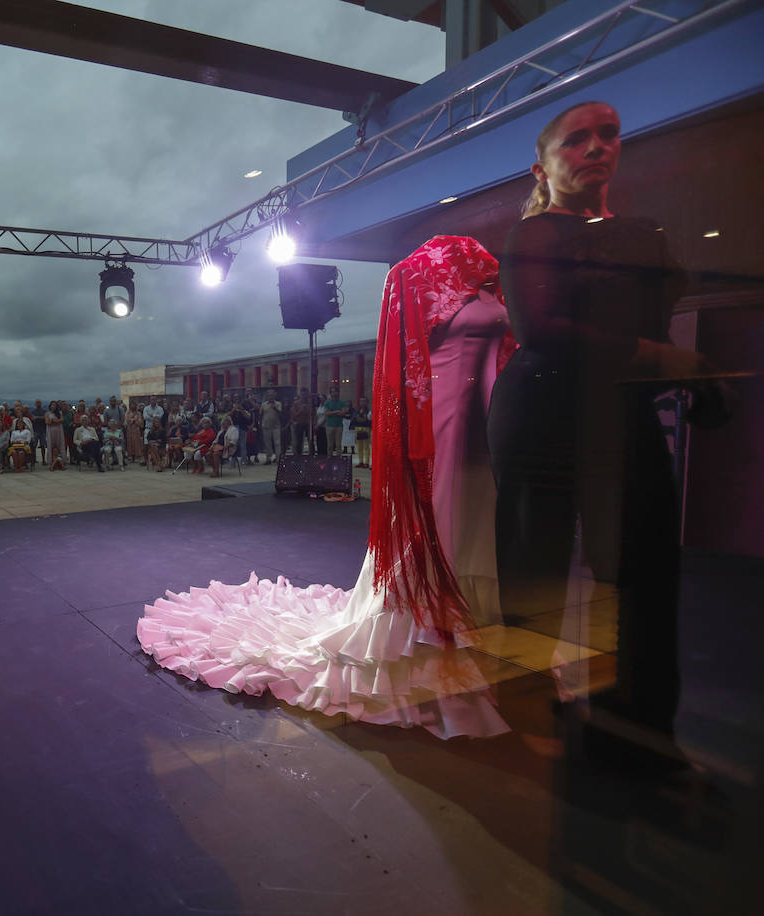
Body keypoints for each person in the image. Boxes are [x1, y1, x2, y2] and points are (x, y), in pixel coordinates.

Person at [139, 236, 517, 739]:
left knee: (477, 521)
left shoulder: (493, 278)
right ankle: (427, 642)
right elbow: (401, 368)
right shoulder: (416, 275)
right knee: (442, 525)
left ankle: (482, 626)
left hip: (488, 425)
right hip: (440, 422)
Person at [488, 101, 716, 769]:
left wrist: (692, 379)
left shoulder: (646, 236)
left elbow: (655, 326)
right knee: (536, 564)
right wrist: (662, 361)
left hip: (620, 409)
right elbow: (541, 331)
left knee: (644, 569)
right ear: (544, 165)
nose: (596, 147)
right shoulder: (534, 235)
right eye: (576, 139)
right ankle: (528, 707)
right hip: (542, 410)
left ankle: (641, 728)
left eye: (608, 134)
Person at [260, 393, 283, 464]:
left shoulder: (278, 404)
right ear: (267, 396)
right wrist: (260, 424)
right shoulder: (264, 404)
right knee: (267, 443)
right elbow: (261, 414)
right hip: (266, 426)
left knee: (277, 443)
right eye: (269, 395)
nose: (271, 397)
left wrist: (274, 407)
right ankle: (268, 459)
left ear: (274, 396)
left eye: (272, 395)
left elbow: (280, 413)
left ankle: (278, 459)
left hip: (276, 426)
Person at [352, 397, 372, 468]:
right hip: (358, 428)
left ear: (367, 403)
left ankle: (366, 462)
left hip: (366, 428)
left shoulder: (369, 411)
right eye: (361, 401)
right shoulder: (357, 410)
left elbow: (368, 419)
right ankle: (361, 461)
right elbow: (354, 418)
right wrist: (360, 419)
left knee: (366, 446)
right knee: (359, 446)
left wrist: (362, 419)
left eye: (364, 401)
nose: (362, 403)